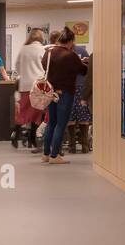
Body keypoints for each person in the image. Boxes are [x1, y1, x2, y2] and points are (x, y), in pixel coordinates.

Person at [41, 27, 87, 166]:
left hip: (51, 92)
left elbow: (44, 66)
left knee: (52, 122)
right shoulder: (70, 55)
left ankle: (46, 154)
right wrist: (84, 61)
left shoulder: (48, 53)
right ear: (71, 41)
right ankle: (55, 155)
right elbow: (83, 70)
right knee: (61, 124)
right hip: (65, 92)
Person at [11, 28, 49, 149]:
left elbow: (16, 66)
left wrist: (25, 73)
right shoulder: (43, 49)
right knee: (37, 112)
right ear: (40, 37)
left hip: (24, 85)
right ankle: (32, 138)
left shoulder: (23, 49)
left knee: (23, 111)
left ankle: (15, 133)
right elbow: (46, 67)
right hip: (38, 85)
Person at [73, 47, 94, 154]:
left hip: (69, 87)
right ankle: (85, 146)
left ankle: (72, 147)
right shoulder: (83, 51)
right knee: (84, 117)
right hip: (81, 85)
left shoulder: (61, 52)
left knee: (70, 118)